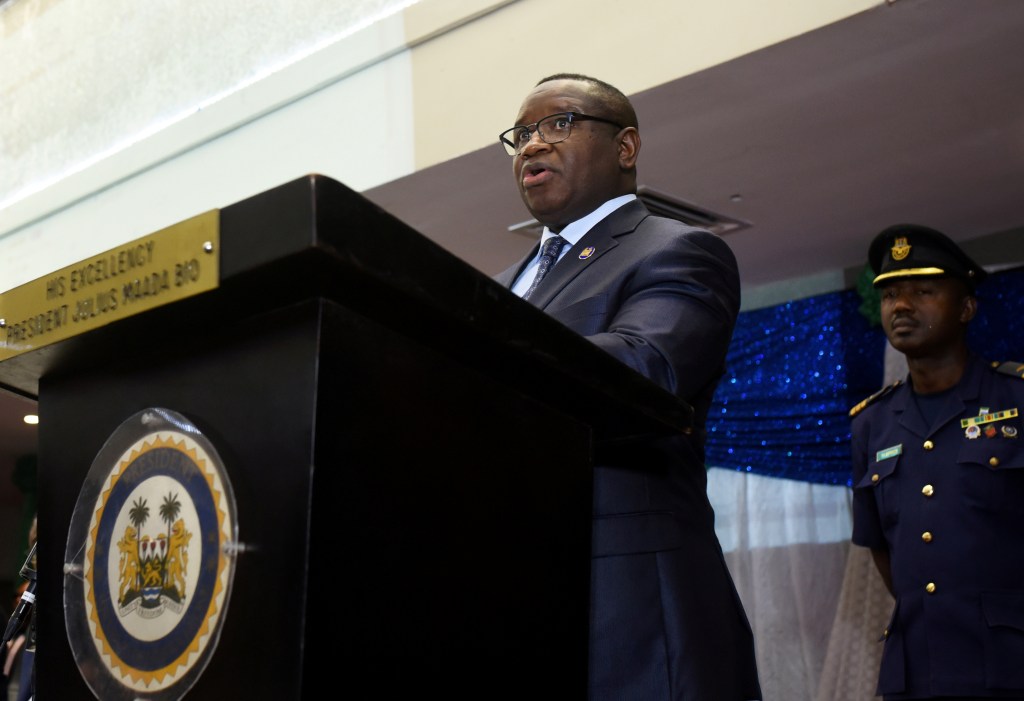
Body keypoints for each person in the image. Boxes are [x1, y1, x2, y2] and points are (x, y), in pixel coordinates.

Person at [493, 73, 761, 701]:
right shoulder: (501, 284)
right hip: (514, 601)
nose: (533, 145)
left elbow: (645, 369)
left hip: (630, 609)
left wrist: (479, 362)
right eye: (521, 135)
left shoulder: (677, 249)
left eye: (559, 123)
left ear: (626, 147)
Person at [850, 223, 1024, 700]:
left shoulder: (1016, 400)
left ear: (966, 308)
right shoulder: (871, 423)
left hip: (1010, 665)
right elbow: (879, 544)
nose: (901, 306)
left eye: (923, 291)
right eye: (890, 295)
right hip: (917, 670)